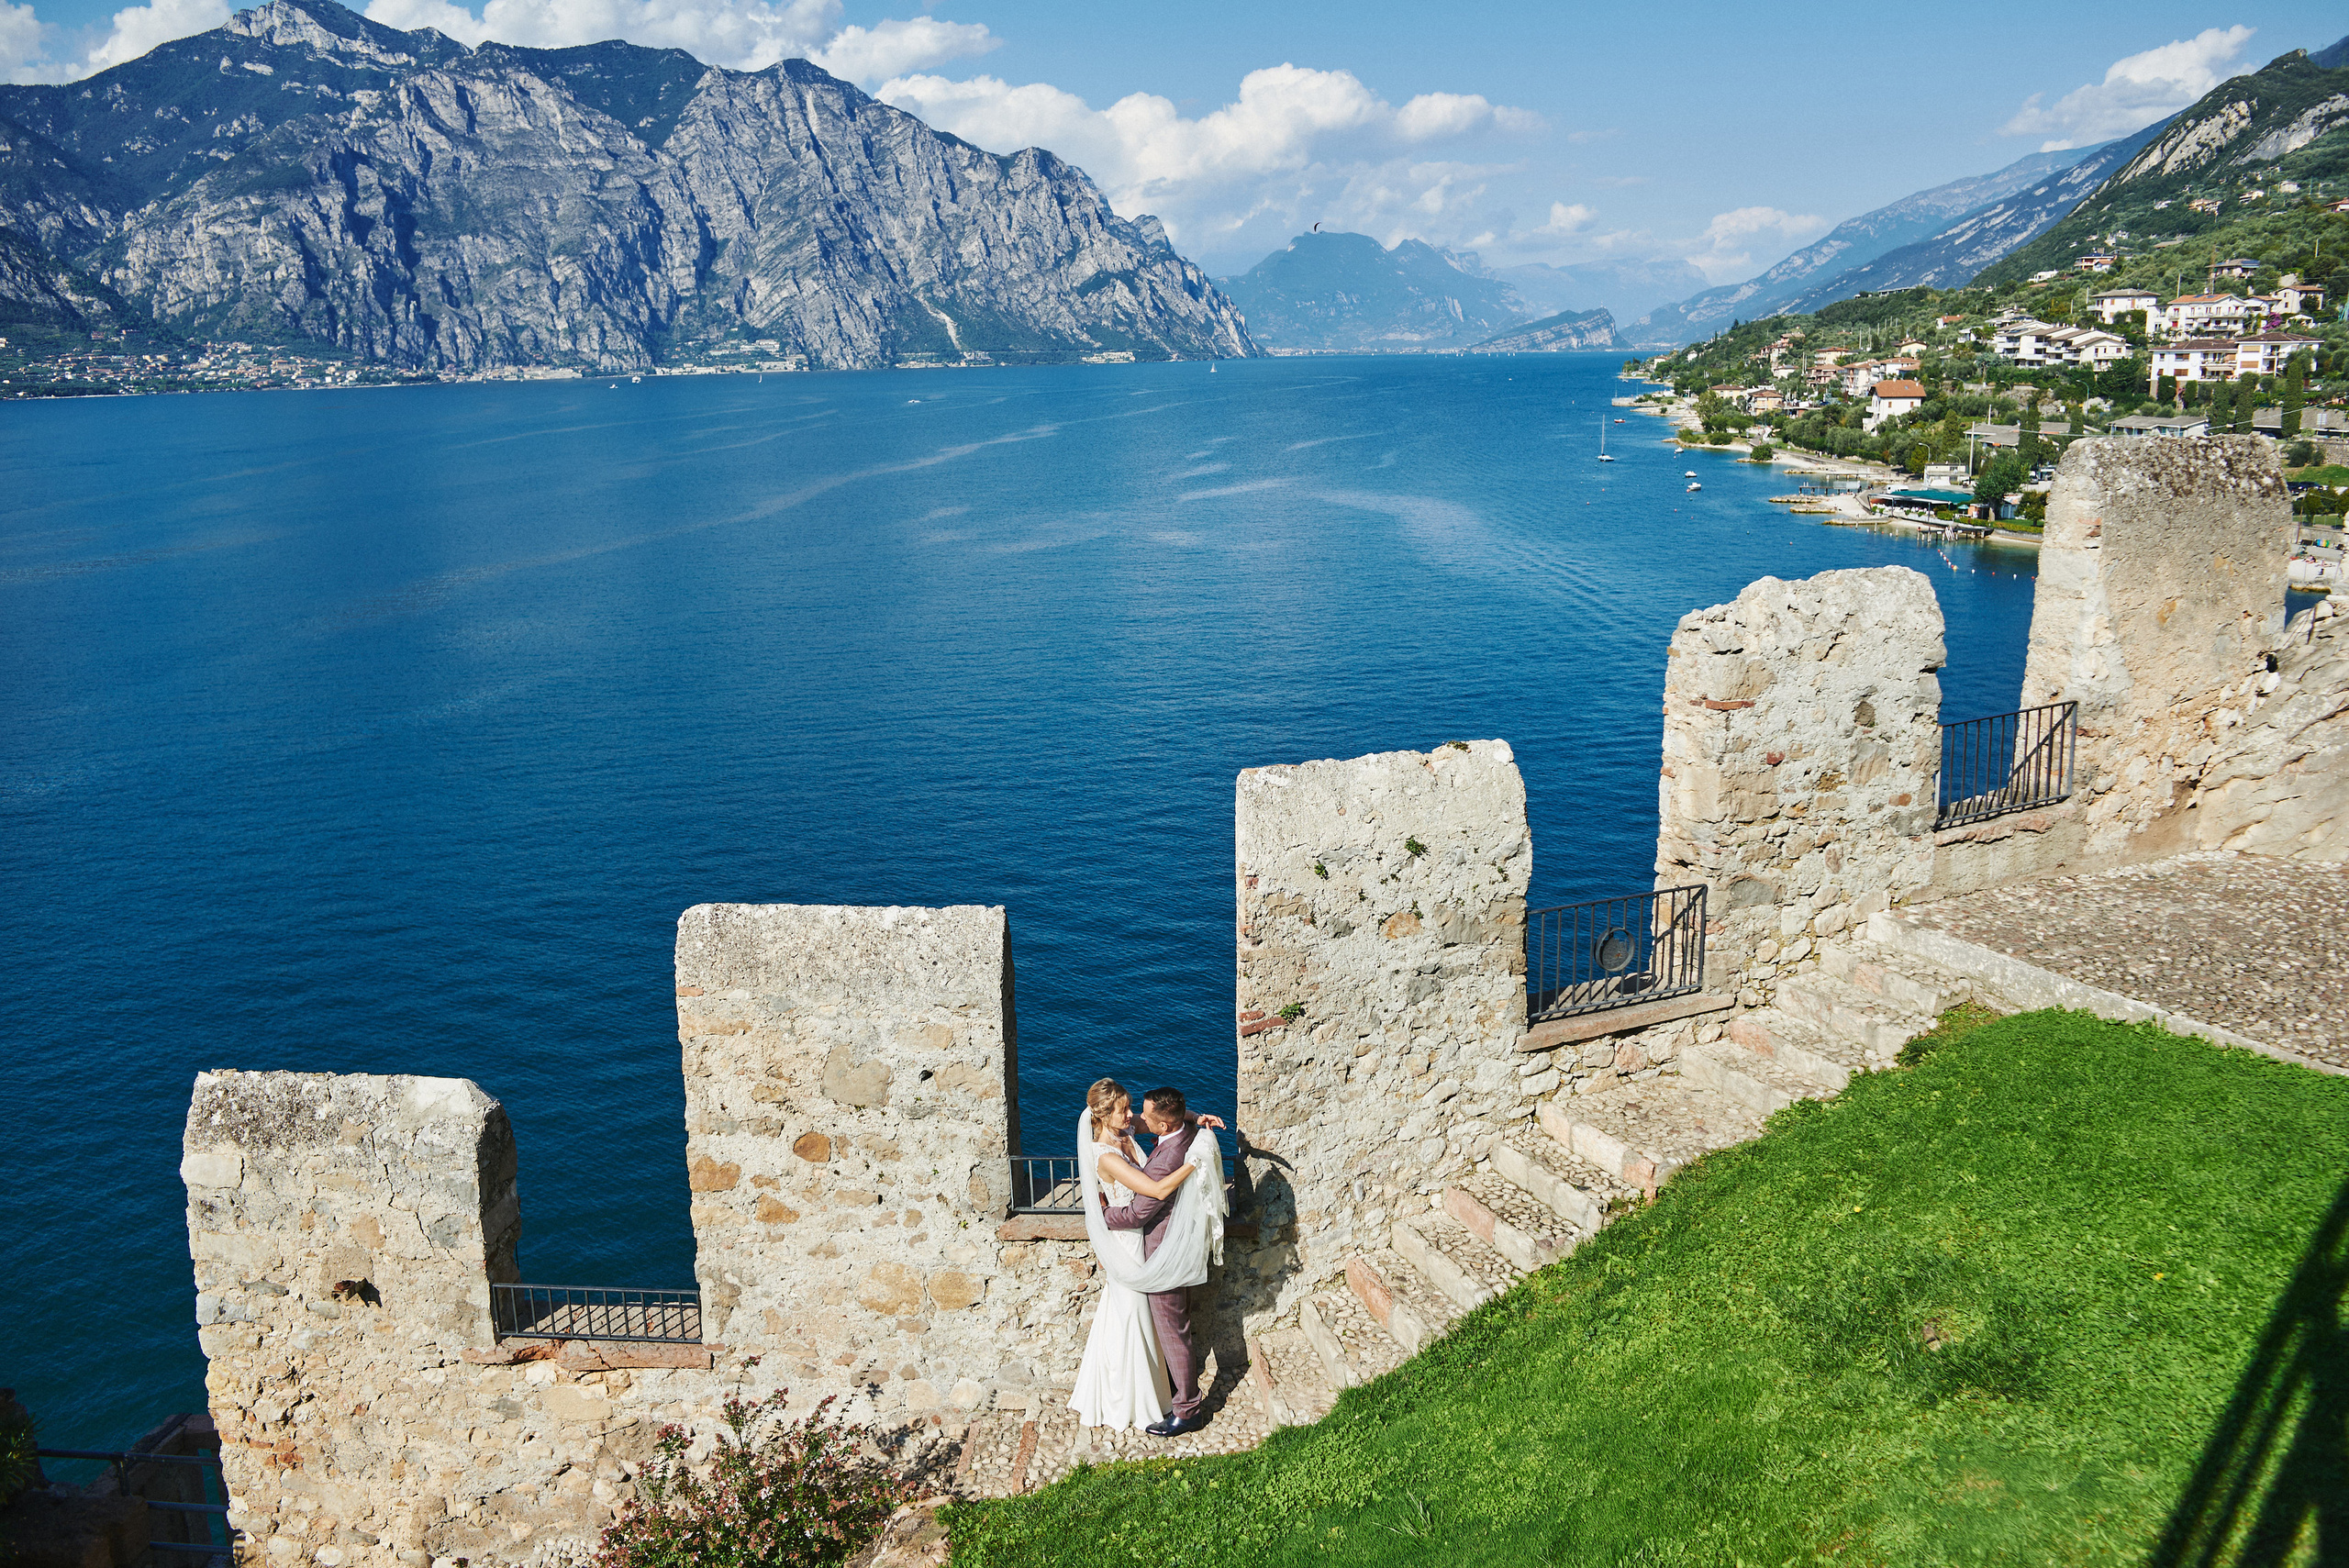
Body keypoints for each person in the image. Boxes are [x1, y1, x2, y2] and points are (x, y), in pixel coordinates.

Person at [1067, 1079, 1194, 1430]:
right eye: (1124, 1109)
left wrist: (1199, 1118)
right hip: (1128, 1245)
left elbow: (1166, 1120)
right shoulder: (1105, 1155)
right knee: (1131, 1316)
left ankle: (1156, 1393)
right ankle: (1128, 1400)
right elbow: (1154, 1190)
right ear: (1105, 1115)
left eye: (1131, 1106)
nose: (1133, 1114)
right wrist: (1196, 1162)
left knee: (1145, 1320)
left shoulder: (1125, 1129)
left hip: (1143, 1240)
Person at [1103, 1085, 1219, 1437]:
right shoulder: (1186, 1132)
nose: (1137, 1117)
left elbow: (1139, 1213)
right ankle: (1172, 1390)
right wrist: (1195, 1115)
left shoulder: (1169, 1157)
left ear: (1164, 1127)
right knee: (1174, 1327)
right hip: (1178, 1245)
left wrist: (1103, 1214)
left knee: (1173, 1332)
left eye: (1146, 1115)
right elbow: (1171, 1114)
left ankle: (1188, 1410)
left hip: (1164, 1253)